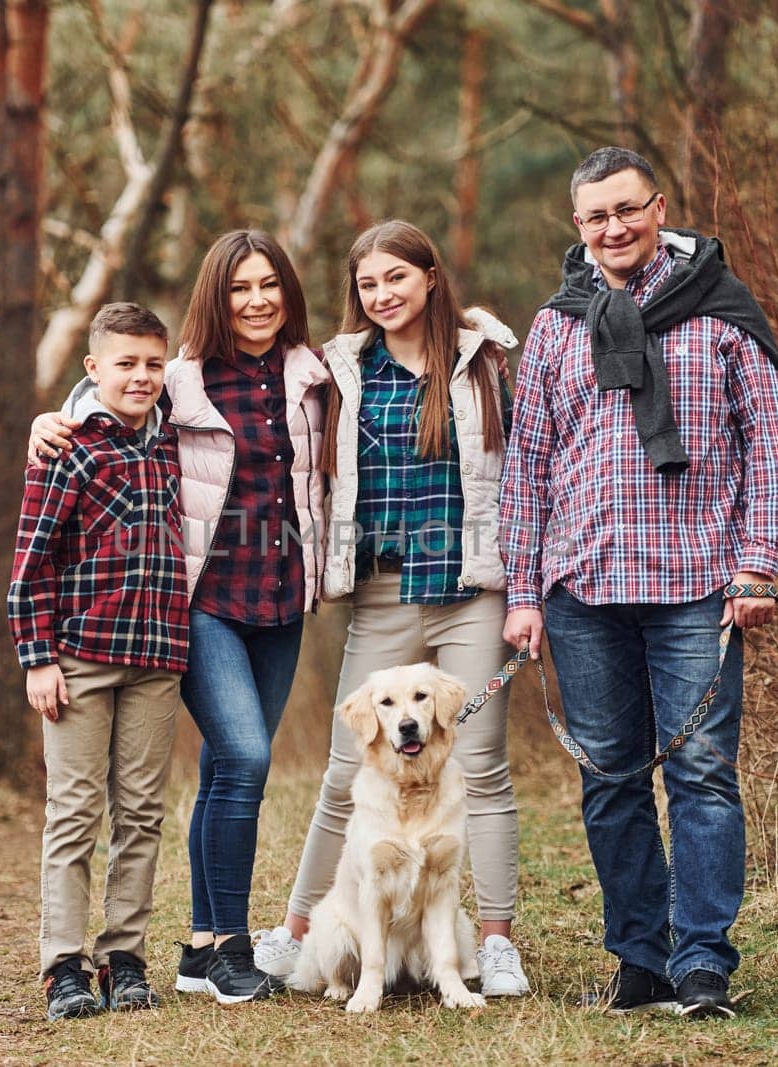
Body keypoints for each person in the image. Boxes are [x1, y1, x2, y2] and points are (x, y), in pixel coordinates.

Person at [499, 147, 778, 1019]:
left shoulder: (721, 311)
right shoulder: (558, 323)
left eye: (627, 210)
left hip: (700, 586)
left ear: (659, 206)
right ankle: (640, 957)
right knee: (612, 779)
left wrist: (757, 563)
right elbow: (530, 466)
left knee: (703, 774)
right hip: (582, 591)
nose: (614, 228)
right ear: (579, 225)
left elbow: (771, 449)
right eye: (596, 217)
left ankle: (703, 959)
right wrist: (523, 591)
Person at [30, 231, 328, 1005]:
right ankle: (224, 945)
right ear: (215, 297)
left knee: (229, 774)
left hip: (283, 595)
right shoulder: (183, 379)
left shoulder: (314, 372)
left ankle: (196, 954)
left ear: (289, 293)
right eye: (239, 288)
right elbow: (105, 398)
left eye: (270, 285)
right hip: (199, 602)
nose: (257, 300)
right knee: (246, 755)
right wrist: (49, 420)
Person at [249, 220, 532, 997]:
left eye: (396, 279)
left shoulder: (481, 362)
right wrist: (72, 402)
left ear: (430, 277)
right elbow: (208, 368)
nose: (383, 295)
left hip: (471, 588)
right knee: (350, 772)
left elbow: (533, 459)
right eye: (368, 284)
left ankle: (498, 941)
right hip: (382, 589)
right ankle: (300, 927)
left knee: (480, 764)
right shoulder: (340, 369)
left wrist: (528, 585)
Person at [8, 302, 187, 1021]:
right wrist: (37, 657)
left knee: (141, 811)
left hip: (158, 656)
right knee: (76, 810)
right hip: (80, 657)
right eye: (126, 363)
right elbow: (31, 562)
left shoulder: (174, 441)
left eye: (153, 363)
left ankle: (125, 957)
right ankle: (64, 964)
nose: (141, 376)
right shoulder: (69, 449)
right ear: (94, 369)